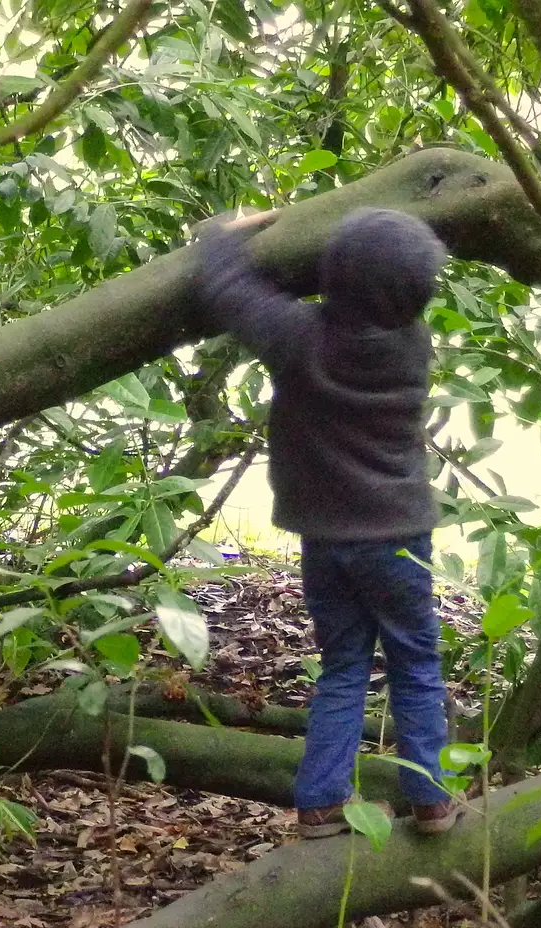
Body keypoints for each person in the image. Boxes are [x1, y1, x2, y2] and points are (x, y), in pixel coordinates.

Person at [196, 206, 458, 839]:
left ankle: (318, 803)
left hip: (327, 541)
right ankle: (430, 801)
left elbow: (230, 291)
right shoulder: (413, 343)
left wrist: (221, 234)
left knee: (343, 665)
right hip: (398, 538)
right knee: (415, 663)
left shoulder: (299, 338)